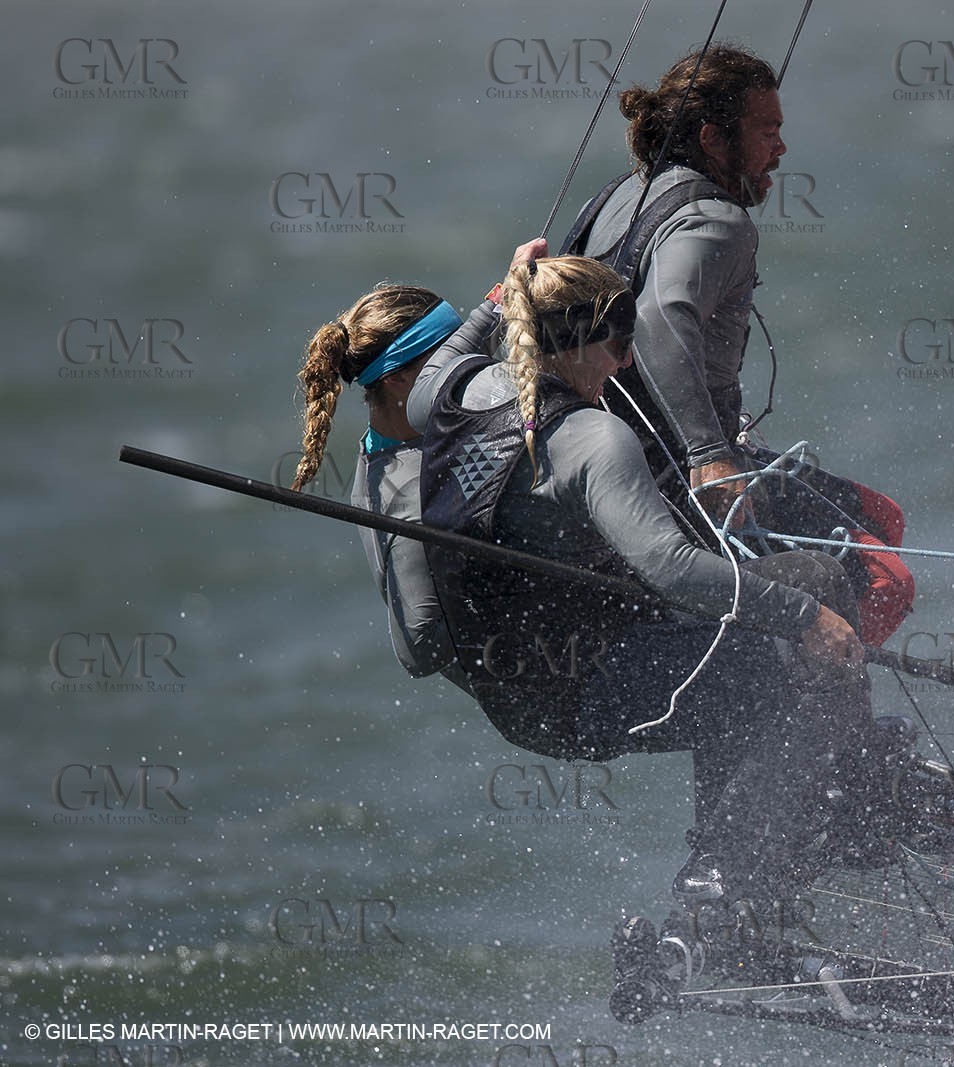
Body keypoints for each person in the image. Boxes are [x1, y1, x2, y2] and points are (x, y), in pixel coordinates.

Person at [406, 254, 900, 913]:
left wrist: (500, 296)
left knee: (812, 575)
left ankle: (842, 783)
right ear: (580, 340)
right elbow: (669, 567)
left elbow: (452, 354)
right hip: (572, 693)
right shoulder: (593, 438)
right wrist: (805, 619)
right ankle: (727, 875)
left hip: (509, 686)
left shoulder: (448, 392)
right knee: (760, 666)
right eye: (617, 343)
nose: (625, 363)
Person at [563, 44, 915, 647]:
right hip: (673, 471)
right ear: (712, 138)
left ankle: (811, 679)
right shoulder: (716, 220)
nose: (781, 149)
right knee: (885, 579)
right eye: (767, 131)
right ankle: (827, 715)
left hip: (615, 449)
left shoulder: (621, 194)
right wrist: (709, 455)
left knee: (881, 517)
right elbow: (656, 317)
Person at [290, 238, 543, 688]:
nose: (469, 369)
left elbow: (460, 350)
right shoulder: (407, 495)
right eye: (446, 360)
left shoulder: (409, 413)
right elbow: (419, 650)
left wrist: (505, 295)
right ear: (398, 381)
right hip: (534, 685)